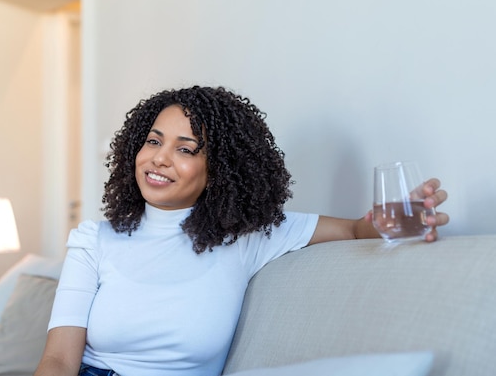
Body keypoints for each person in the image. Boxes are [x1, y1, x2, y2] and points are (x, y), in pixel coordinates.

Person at [34, 86, 449, 376]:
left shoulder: (248, 235)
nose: (159, 159)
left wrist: (396, 217)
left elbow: (358, 230)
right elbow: (58, 361)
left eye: (185, 149)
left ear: (218, 170)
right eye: (153, 141)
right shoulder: (94, 240)